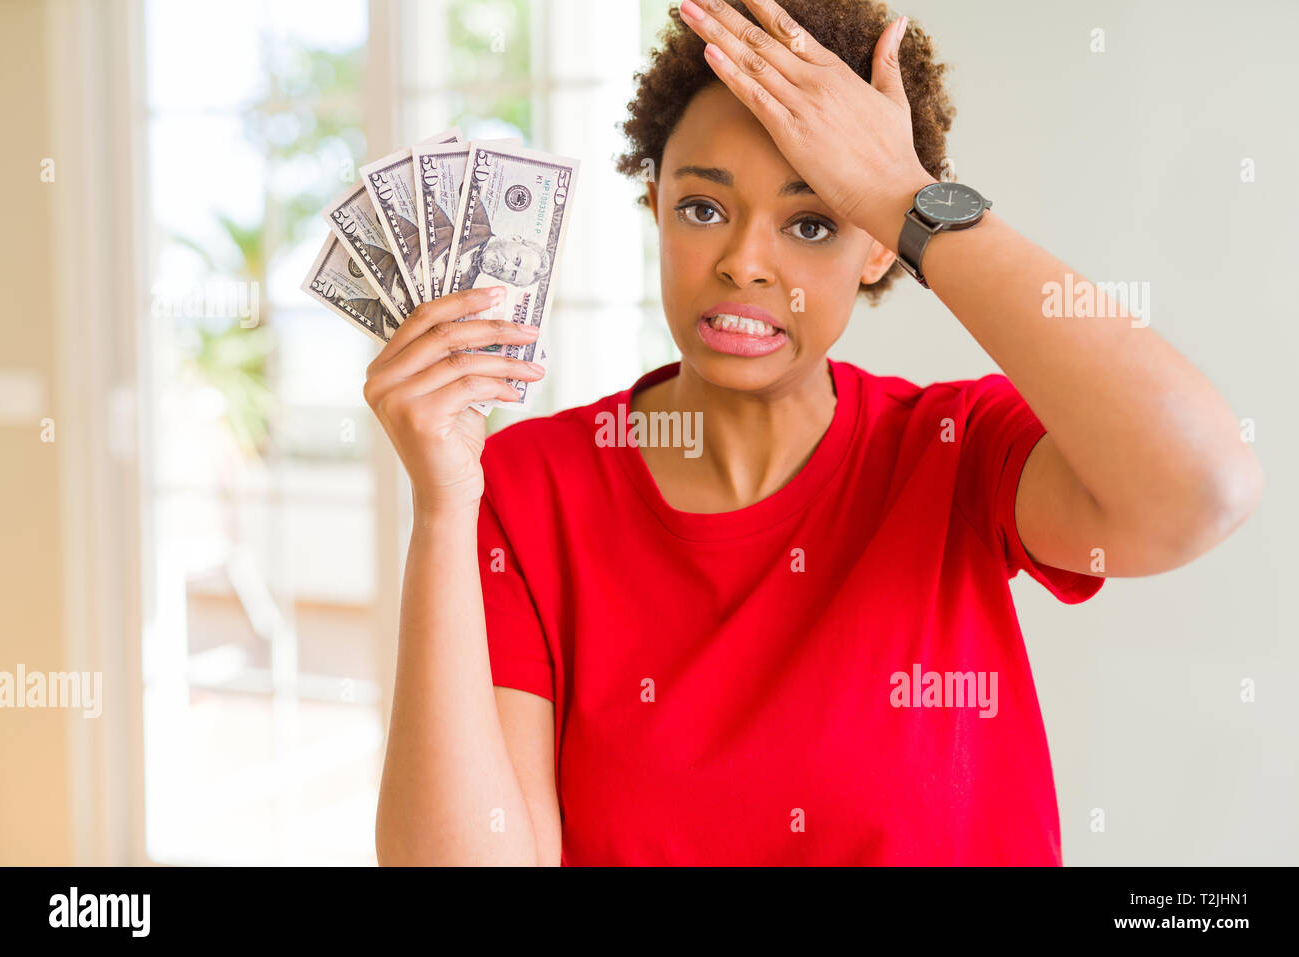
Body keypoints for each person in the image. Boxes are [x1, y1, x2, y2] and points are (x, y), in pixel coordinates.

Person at [368, 0, 1264, 866]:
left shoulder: (956, 453)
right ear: (653, 206)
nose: (745, 262)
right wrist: (444, 508)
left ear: (878, 246)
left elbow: (1204, 486)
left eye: (813, 221)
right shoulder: (526, 488)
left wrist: (905, 195)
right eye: (703, 207)